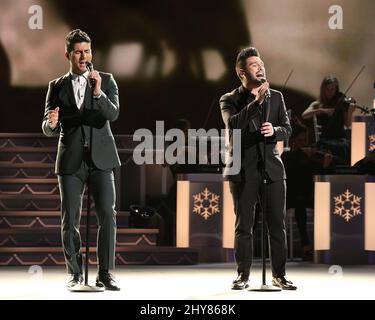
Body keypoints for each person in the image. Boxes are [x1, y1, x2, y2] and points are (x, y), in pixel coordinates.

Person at [42, 29, 121, 290]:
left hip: (101, 159)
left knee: (107, 216)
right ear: (68, 54)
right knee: (70, 219)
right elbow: (48, 125)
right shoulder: (57, 86)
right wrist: (51, 124)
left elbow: (113, 114)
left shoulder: (106, 81)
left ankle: (105, 274)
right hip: (70, 160)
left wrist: (98, 93)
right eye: (78, 51)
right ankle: (75, 274)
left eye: (87, 51)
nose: (84, 56)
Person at [220, 47, 296, 290]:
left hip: (272, 169)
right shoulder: (229, 99)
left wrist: (275, 131)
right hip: (242, 170)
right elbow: (233, 125)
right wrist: (256, 103)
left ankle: (279, 275)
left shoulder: (277, 96)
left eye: (262, 63)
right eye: (254, 65)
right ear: (242, 72)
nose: (261, 67)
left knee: (277, 225)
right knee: (244, 226)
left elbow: (287, 128)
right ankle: (243, 275)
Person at [301, 75, 356, 164]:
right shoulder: (317, 104)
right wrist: (322, 110)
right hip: (325, 139)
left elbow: (347, 124)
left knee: (346, 147)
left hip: (340, 139)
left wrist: (350, 112)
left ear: (336, 90)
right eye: (327, 89)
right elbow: (304, 115)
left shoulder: (341, 103)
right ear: (323, 90)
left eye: (332, 89)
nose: (330, 92)